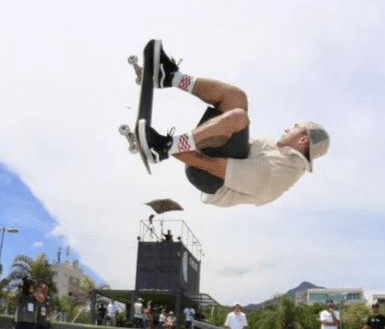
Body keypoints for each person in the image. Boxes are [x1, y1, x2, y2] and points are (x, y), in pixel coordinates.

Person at [138, 39, 330, 208]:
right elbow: (227, 133)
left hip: (210, 178)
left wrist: (168, 150)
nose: (288, 129)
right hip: (218, 158)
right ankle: (169, 77)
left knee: (239, 117)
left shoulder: (276, 175)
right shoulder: (275, 148)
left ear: (303, 139)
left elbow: (212, 166)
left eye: (296, 127)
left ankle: (163, 147)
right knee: (237, 98)